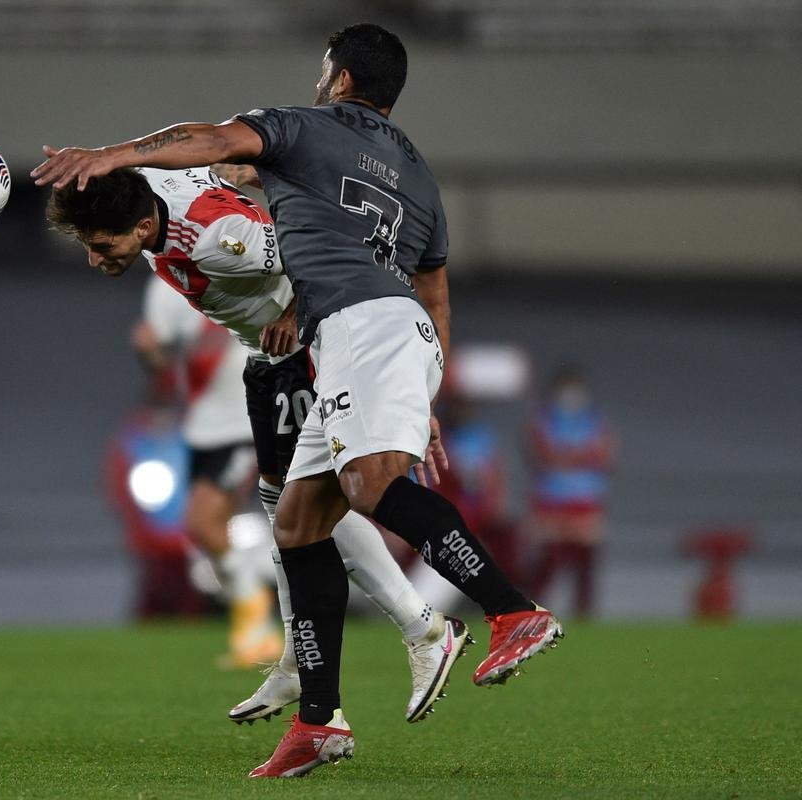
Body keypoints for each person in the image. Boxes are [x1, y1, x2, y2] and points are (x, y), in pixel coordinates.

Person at [34, 23, 562, 778]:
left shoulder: (301, 134)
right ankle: (319, 719)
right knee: (296, 520)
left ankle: (508, 611)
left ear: (340, 78)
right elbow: (436, 294)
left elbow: (211, 141)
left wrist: (114, 153)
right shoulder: (414, 174)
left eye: (324, 69)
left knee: (368, 487)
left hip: (347, 326)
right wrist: (425, 389)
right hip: (378, 330)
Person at [46, 164, 466, 728]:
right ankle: (298, 660)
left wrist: (293, 312)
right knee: (283, 508)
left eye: (101, 245)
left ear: (142, 225)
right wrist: (87, 163)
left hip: (305, 348)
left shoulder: (221, 239)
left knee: (309, 508)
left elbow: (320, 248)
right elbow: (165, 157)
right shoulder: (146, 187)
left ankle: (426, 627)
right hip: (265, 360)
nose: (94, 260)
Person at [134, 276, 278, 668]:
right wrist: (148, 350)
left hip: (249, 420)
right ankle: (258, 629)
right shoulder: (164, 285)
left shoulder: (242, 264)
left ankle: (258, 619)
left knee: (205, 521)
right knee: (204, 527)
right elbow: (160, 360)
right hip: (202, 427)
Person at [526, 365, 614, 618]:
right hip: (551, 501)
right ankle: (532, 614)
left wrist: (565, 455)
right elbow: (544, 455)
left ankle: (584, 615)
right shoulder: (543, 421)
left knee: (585, 563)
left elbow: (605, 455)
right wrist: (581, 455)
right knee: (548, 561)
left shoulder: (594, 421)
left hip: (585, 501)